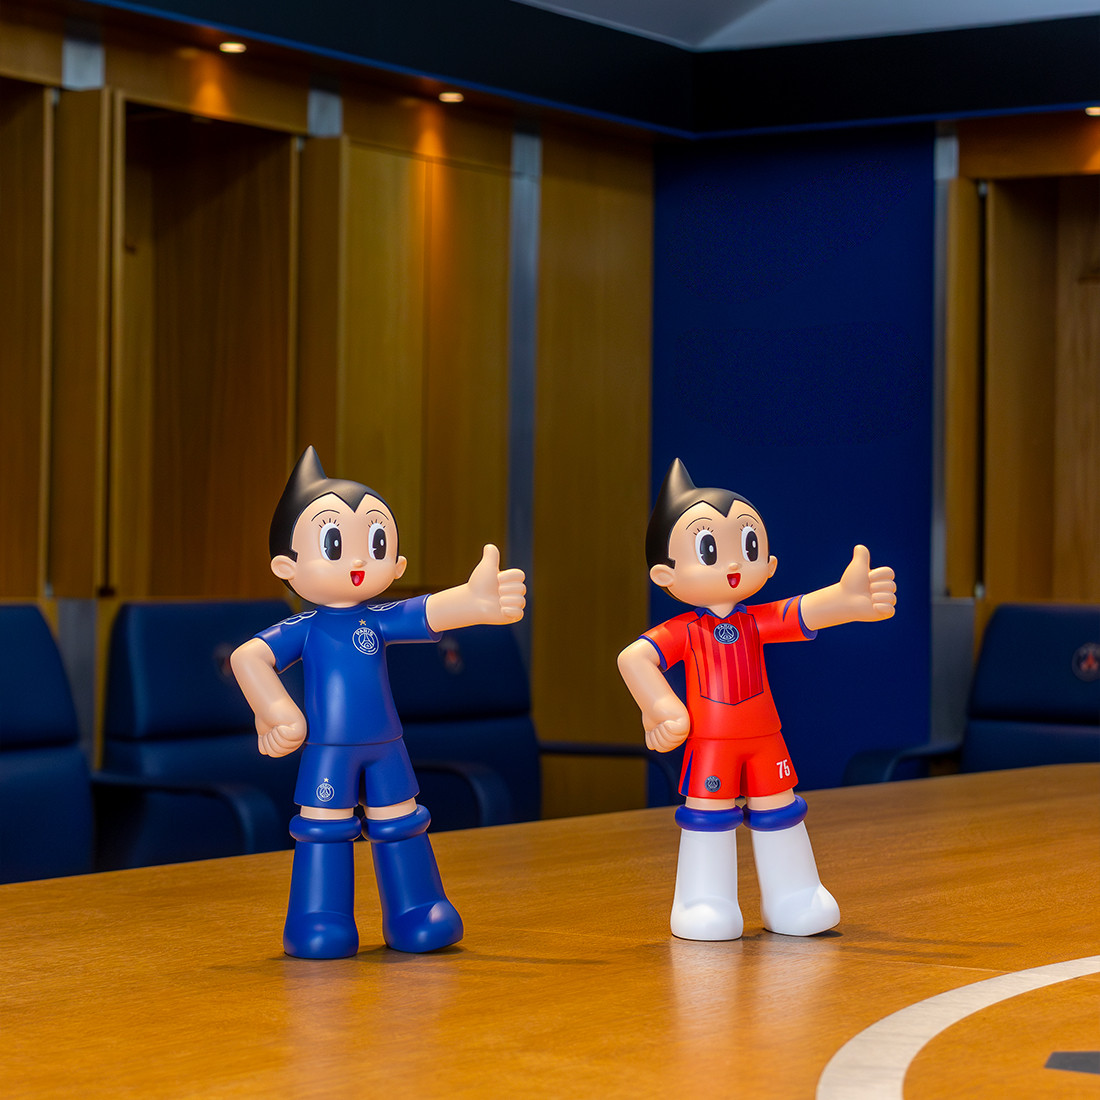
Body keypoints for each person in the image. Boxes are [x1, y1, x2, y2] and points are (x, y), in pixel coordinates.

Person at [232, 447, 526, 959]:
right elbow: (248, 657)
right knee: (323, 828)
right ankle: (318, 917)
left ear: (397, 563)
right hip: (328, 749)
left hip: (387, 746)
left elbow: (429, 610)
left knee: (402, 821)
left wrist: (474, 602)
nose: (359, 560)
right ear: (286, 566)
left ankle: (417, 909)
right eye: (333, 542)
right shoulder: (305, 627)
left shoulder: (379, 618)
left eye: (376, 542)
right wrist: (277, 710)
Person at [617, 458, 896, 940]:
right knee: (708, 816)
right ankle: (702, 902)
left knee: (781, 810)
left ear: (768, 564)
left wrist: (845, 600)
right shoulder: (684, 630)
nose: (732, 565)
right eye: (709, 548)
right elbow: (634, 658)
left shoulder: (755, 621)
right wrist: (660, 706)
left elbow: (805, 610)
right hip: (711, 743)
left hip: (766, 739)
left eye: (747, 546)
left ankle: (795, 896)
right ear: (665, 574)